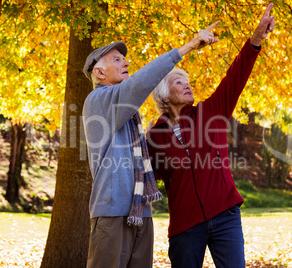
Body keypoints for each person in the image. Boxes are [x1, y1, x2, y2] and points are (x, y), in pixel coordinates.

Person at [82, 21, 221, 268]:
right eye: (116, 60)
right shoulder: (99, 101)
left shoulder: (128, 113)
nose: (125, 63)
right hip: (112, 213)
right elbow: (139, 84)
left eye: (124, 59)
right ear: (99, 73)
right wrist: (185, 48)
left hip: (140, 213)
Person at [146, 3, 275, 268]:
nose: (187, 84)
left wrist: (255, 40)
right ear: (163, 95)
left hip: (225, 214)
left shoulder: (210, 112)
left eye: (187, 81)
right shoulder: (154, 135)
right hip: (185, 224)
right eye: (178, 82)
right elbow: (146, 175)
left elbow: (235, 77)